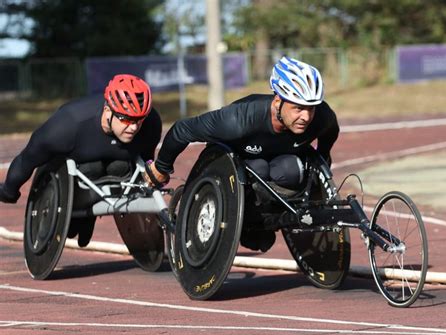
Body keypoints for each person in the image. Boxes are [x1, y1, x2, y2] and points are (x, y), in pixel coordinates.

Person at [144, 56, 340, 251]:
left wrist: (324, 157)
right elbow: (182, 130)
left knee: (292, 170)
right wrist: (161, 167)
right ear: (278, 100)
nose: (305, 117)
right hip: (237, 166)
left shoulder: (321, 117)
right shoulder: (238, 120)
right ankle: (249, 220)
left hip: (279, 163)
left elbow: (331, 132)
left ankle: (266, 218)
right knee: (259, 168)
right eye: (298, 108)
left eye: (311, 109)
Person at [0, 74, 162, 246]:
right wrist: (9, 190)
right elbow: (28, 158)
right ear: (108, 110)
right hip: (80, 170)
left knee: (119, 168)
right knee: (91, 168)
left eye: (139, 120)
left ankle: (92, 204)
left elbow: (147, 161)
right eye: (126, 119)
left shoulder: (151, 124)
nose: (134, 127)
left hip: (120, 169)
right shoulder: (65, 127)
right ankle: (83, 203)